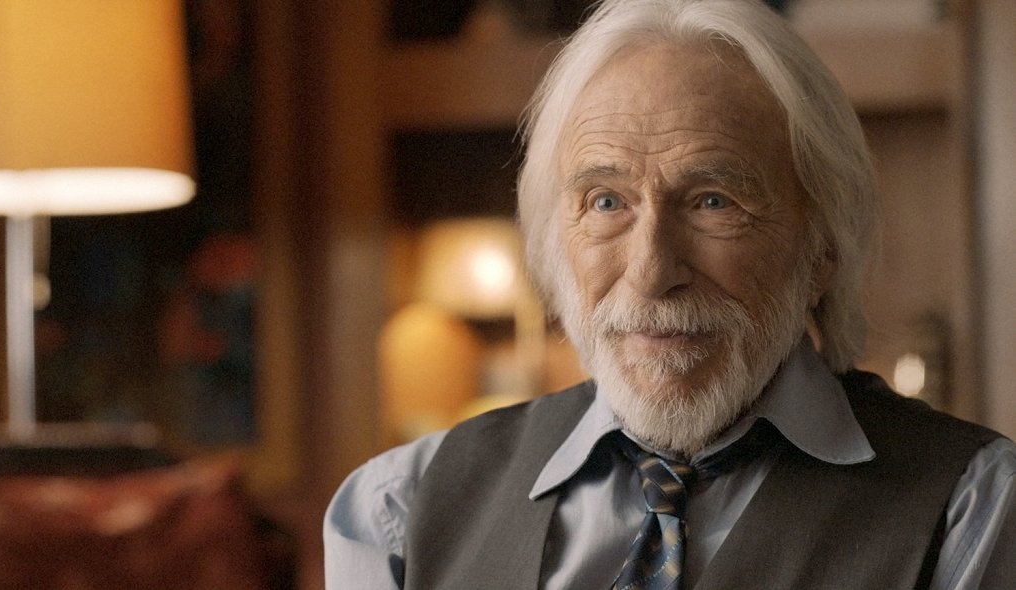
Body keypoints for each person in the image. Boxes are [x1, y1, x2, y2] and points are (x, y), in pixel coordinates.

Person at [324, 0, 1016, 588]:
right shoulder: (395, 511)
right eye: (605, 202)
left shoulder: (971, 506)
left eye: (713, 201)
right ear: (553, 242)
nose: (651, 271)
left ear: (823, 248)